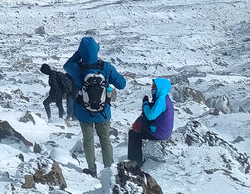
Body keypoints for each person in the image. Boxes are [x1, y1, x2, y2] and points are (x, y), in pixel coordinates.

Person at [64, 36, 127, 176]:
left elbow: (66, 65)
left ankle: (92, 170)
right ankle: (109, 171)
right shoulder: (106, 67)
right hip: (103, 111)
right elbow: (122, 84)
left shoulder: (76, 67)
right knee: (105, 141)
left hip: (83, 111)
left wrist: (79, 54)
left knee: (88, 141)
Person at [128, 78, 174, 166]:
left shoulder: (161, 99)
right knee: (137, 131)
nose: (152, 88)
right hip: (161, 130)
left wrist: (145, 103)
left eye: (154, 86)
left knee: (134, 134)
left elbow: (150, 116)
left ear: (160, 87)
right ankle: (136, 160)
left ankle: (134, 163)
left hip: (159, 132)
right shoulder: (164, 97)